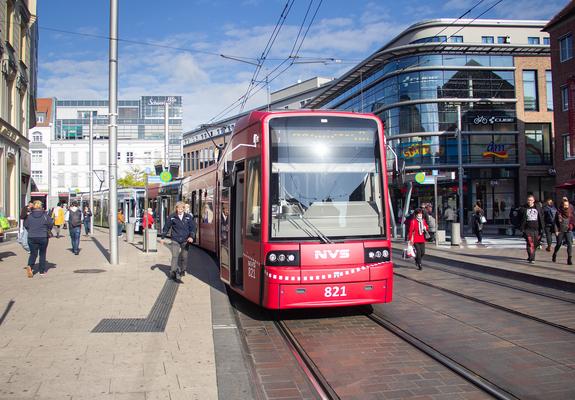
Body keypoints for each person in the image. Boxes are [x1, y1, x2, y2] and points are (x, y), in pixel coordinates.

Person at [160, 201, 196, 283]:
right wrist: (162, 237)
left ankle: (183, 270)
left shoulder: (188, 217)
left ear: (183, 209)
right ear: (176, 208)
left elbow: (193, 228)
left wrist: (191, 237)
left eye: (181, 209)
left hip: (185, 240)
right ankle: (172, 273)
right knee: (175, 256)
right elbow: (166, 227)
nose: (179, 210)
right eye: (178, 208)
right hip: (175, 239)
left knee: (184, 256)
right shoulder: (172, 217)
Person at [24, 201, 53, 277]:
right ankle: (41, 271)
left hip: (31, 237)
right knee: (42, 254)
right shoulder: (45, 215)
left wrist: (31, 230)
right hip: (43, 236)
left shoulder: (29, 216)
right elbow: (51, 223)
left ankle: (30, 266)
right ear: (41, 206)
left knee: (33, 253)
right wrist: (47, 229)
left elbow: (26, 225)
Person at [520, 195, 544, 264]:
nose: (529, 201)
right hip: (527, 229)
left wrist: (542, 227)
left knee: (535, 244)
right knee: (530, 243)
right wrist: (521, 227)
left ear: (533, 200)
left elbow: (542, 216)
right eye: (528, 200)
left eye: (531, 200)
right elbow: (520, 218)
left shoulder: (538, 207)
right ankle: (532, 258)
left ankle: (530, 255)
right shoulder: (524, 208)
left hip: (536, 229)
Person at [552, 198, 574, 265]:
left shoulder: (571, 211)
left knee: (569, 244)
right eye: (565, 205)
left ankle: (569, 259)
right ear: (562, 205)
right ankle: (554, 254)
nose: (566, 206)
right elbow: (555, 222)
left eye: (567, 205)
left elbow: (573, 220)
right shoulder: (558, 212)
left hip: (568, 230)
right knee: (559, 244)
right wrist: (556, 230)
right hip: (560, 230)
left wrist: (571, 226)